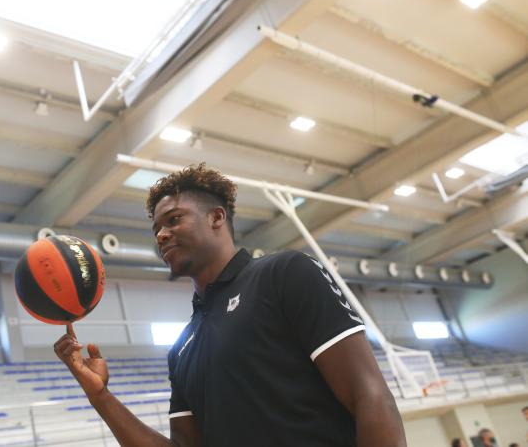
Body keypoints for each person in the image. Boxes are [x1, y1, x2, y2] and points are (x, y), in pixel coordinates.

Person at [54, 164, 406, 446]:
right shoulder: (182, 348)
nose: (161, 235)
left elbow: (369, 395)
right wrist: (101, 397)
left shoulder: (284, 273)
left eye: (174, 219)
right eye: (156, 228)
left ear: (217, 218)